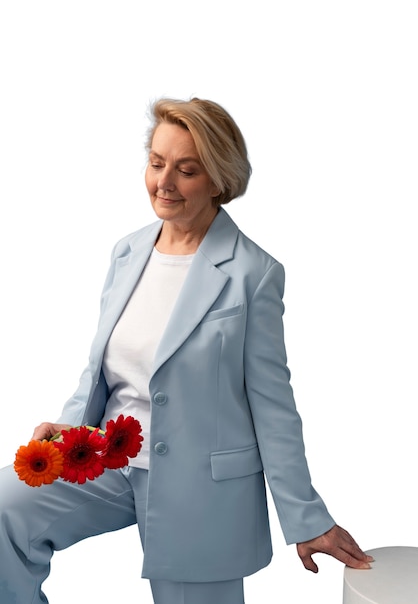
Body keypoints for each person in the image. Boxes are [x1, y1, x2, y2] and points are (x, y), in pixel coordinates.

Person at [0, 97, 372, 604]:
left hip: (197, 482)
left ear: (218, 179)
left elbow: (273, 405)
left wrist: (306, 517)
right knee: (5, 506)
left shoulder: (253, 273)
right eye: (156, 163)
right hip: (112, 455)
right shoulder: (128, 251)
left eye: (186, 170)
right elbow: (103, 367)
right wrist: (72, 429)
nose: (164, 182)